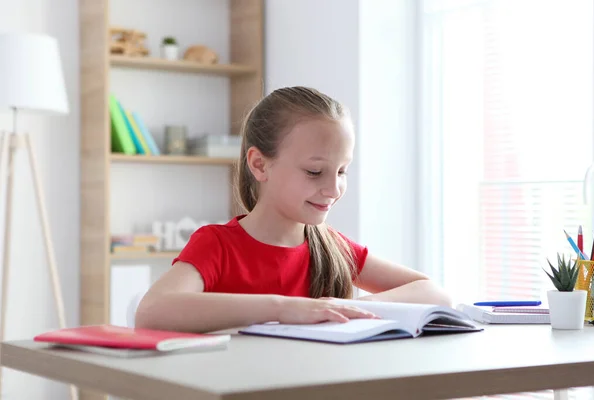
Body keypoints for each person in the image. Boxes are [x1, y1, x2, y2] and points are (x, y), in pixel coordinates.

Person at [135, 86, 451, 333]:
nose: (334, 189)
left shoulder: (333, 248)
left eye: (342, 171)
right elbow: (151, 312)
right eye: (314, 172)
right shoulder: (218, 245)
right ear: (260, 165)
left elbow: (434, 294)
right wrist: (283, 308)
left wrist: (346, 307)